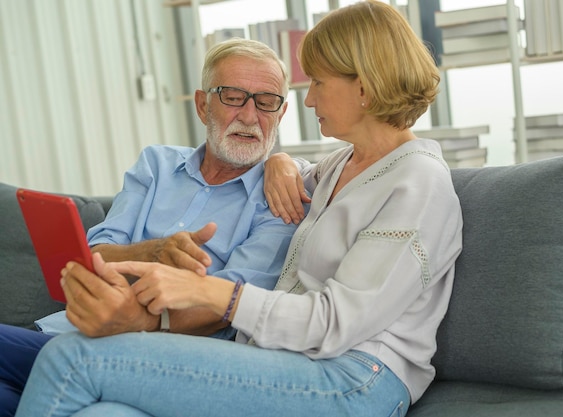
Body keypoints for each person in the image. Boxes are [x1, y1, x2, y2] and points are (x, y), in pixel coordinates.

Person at [15, 1, 463, 416]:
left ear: (363, 88)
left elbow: (334, 324)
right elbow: (288, 171)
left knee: (69, 356)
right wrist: (281, 162)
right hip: (282, 360)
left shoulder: (418, 183)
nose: (309, 100)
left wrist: (208, 292)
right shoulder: (344, 165)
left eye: (320, 84)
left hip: (355, 379)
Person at [0, 38, 298, 417]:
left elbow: (232, 304)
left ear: (282, 112)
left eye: (266, 101)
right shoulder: (156, 165)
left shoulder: (279, 202)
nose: (250, 115)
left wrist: (285, 160)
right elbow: (94, 255)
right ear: (203, 104)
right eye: (233, 96)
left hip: (151, 356)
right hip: (65, 330)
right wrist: (151, 251)